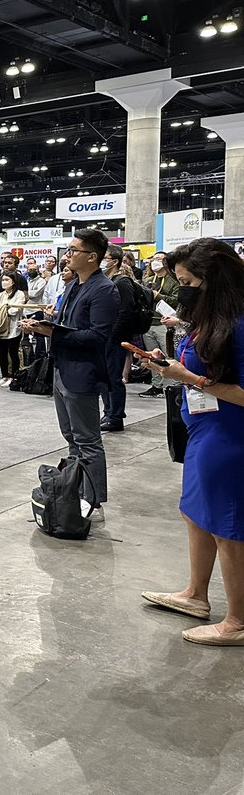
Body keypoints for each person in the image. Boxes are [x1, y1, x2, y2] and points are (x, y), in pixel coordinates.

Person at [138, 238, 244, 646]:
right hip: (202, 429)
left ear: (212, 279)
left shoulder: (240, 323)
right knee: (196, 513)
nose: (181, 289)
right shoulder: (211, 317)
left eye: (187, 281)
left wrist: (191, 379)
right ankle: (196, 594)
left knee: (228, 527)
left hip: (231, 435)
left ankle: (237, 621)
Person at [21, 228, 120, 520]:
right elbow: (65, 322)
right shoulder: (73, 286)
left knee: (88, 440)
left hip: (83, 373)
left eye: (74, 250)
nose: (68, 255)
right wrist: (43, 323)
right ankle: (76, 492)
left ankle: (94, 501)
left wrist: (54, 333)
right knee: (71, 437)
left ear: (92, 257)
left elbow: (98, 337)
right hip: (62, 368)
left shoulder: (104, 290)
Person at [100, 245, 138, 430]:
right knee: (104, 377)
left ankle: (115, 417)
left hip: (114, 338)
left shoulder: (122, 282)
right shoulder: (105, 280)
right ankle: (108, 412)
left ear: (114, 261)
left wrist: (112, 335)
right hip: (103, 336)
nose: (102, 260)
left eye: (105, 257)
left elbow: (125, 311)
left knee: (113, 377)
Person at [139, 251, 181, 398]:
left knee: (170, 355)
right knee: (152, 357)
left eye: (159, 259)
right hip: (149, 322)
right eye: (154, 259)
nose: (155, 261)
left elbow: (176, 300)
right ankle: (156, 385)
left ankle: (176, 385)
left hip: (167, 323)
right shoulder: (148, 280)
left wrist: (158, 296)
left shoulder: (174, 280)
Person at [0, 270, 28, 386]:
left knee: (13, 353)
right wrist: (2, 309)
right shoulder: (0, 295)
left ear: (13, 282)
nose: (4, 282)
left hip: (14, 328)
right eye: (3, 280)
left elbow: (14, 311)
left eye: (7, 280)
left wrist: (1, 309)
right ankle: (4, 376)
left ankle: (14, 377)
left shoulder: (19, 294)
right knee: (2, 353)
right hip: (0, 328)